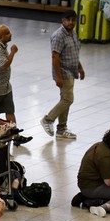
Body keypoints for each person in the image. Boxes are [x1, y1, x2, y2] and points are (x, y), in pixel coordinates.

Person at [42, 11, 83, 142]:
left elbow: (74, 53)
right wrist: (58, 77)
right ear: (62, 20)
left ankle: (61, 129)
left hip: (71, 71)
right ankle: (48, 119)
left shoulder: (73, 33)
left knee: (65, 100)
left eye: (73, 20)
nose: (71, 22)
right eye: (68, 20)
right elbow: (55, 57)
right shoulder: (58, 36)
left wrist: (80, 67)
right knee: (68, 99)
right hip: (63, 72)